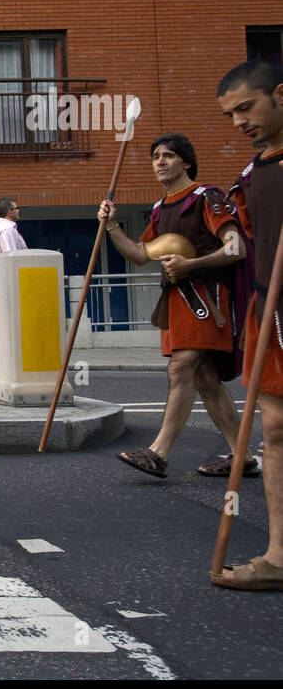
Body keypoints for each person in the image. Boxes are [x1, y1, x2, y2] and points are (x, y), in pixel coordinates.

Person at [101, 134, 247, 480]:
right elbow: (139, 255)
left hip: (207, 299)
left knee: (180, 368)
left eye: (168, 155)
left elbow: (236, 246)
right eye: (155, 156)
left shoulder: (205, 198)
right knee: (206, 379)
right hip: (176, 300)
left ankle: (159, 453)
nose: (160, 161)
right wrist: (111, 226)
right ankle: (244, 457)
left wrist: (191, 265)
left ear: (186, 162)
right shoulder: (158, 210)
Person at [214, 59, 283, 589]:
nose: (239, 121)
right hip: (272, 309)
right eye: (230, 114)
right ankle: (279, 555)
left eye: (246, 107)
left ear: (279, 95)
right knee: (276, 429)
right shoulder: (251, 174)